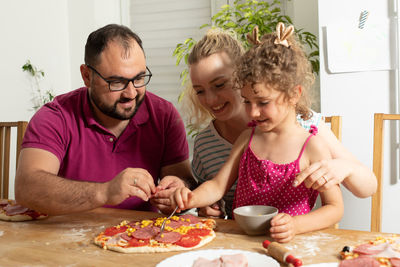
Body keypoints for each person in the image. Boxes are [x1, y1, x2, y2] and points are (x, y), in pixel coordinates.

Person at [172, 23, 343, 243]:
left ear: (293, 94)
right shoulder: (248, 138)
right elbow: (217, 185)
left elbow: (335, 207)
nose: (252, 112)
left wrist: (296, 225)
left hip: (291, 244)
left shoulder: (312, 146)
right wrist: (191, 198)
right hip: (243, 241)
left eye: (262, 102)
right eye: (247, 101)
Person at [15, 24, 196, 215]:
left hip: (141, 238)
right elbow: (26, 188)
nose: (131, 93)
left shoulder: (164, 115)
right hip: (67, 239)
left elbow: (185, 183)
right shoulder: (55, 116)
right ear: (87, 76)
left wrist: (180, 191)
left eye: (140, 78)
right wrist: (105, 192)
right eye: (117, 82)